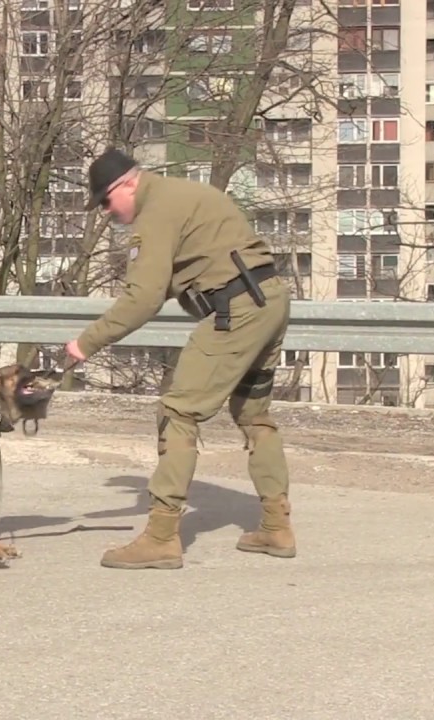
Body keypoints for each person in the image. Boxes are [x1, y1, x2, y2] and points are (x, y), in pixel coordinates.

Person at [64, 146, 296, 570]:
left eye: (106, 202)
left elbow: (143, 297)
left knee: (178, 413)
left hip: (236, 312)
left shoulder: (155, 212)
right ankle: (276, 526)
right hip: (270, 301)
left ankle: (161, 537)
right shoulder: (183, 194)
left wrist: (86, 343)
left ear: (127, 184)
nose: (106, 213)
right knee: (253, 415)